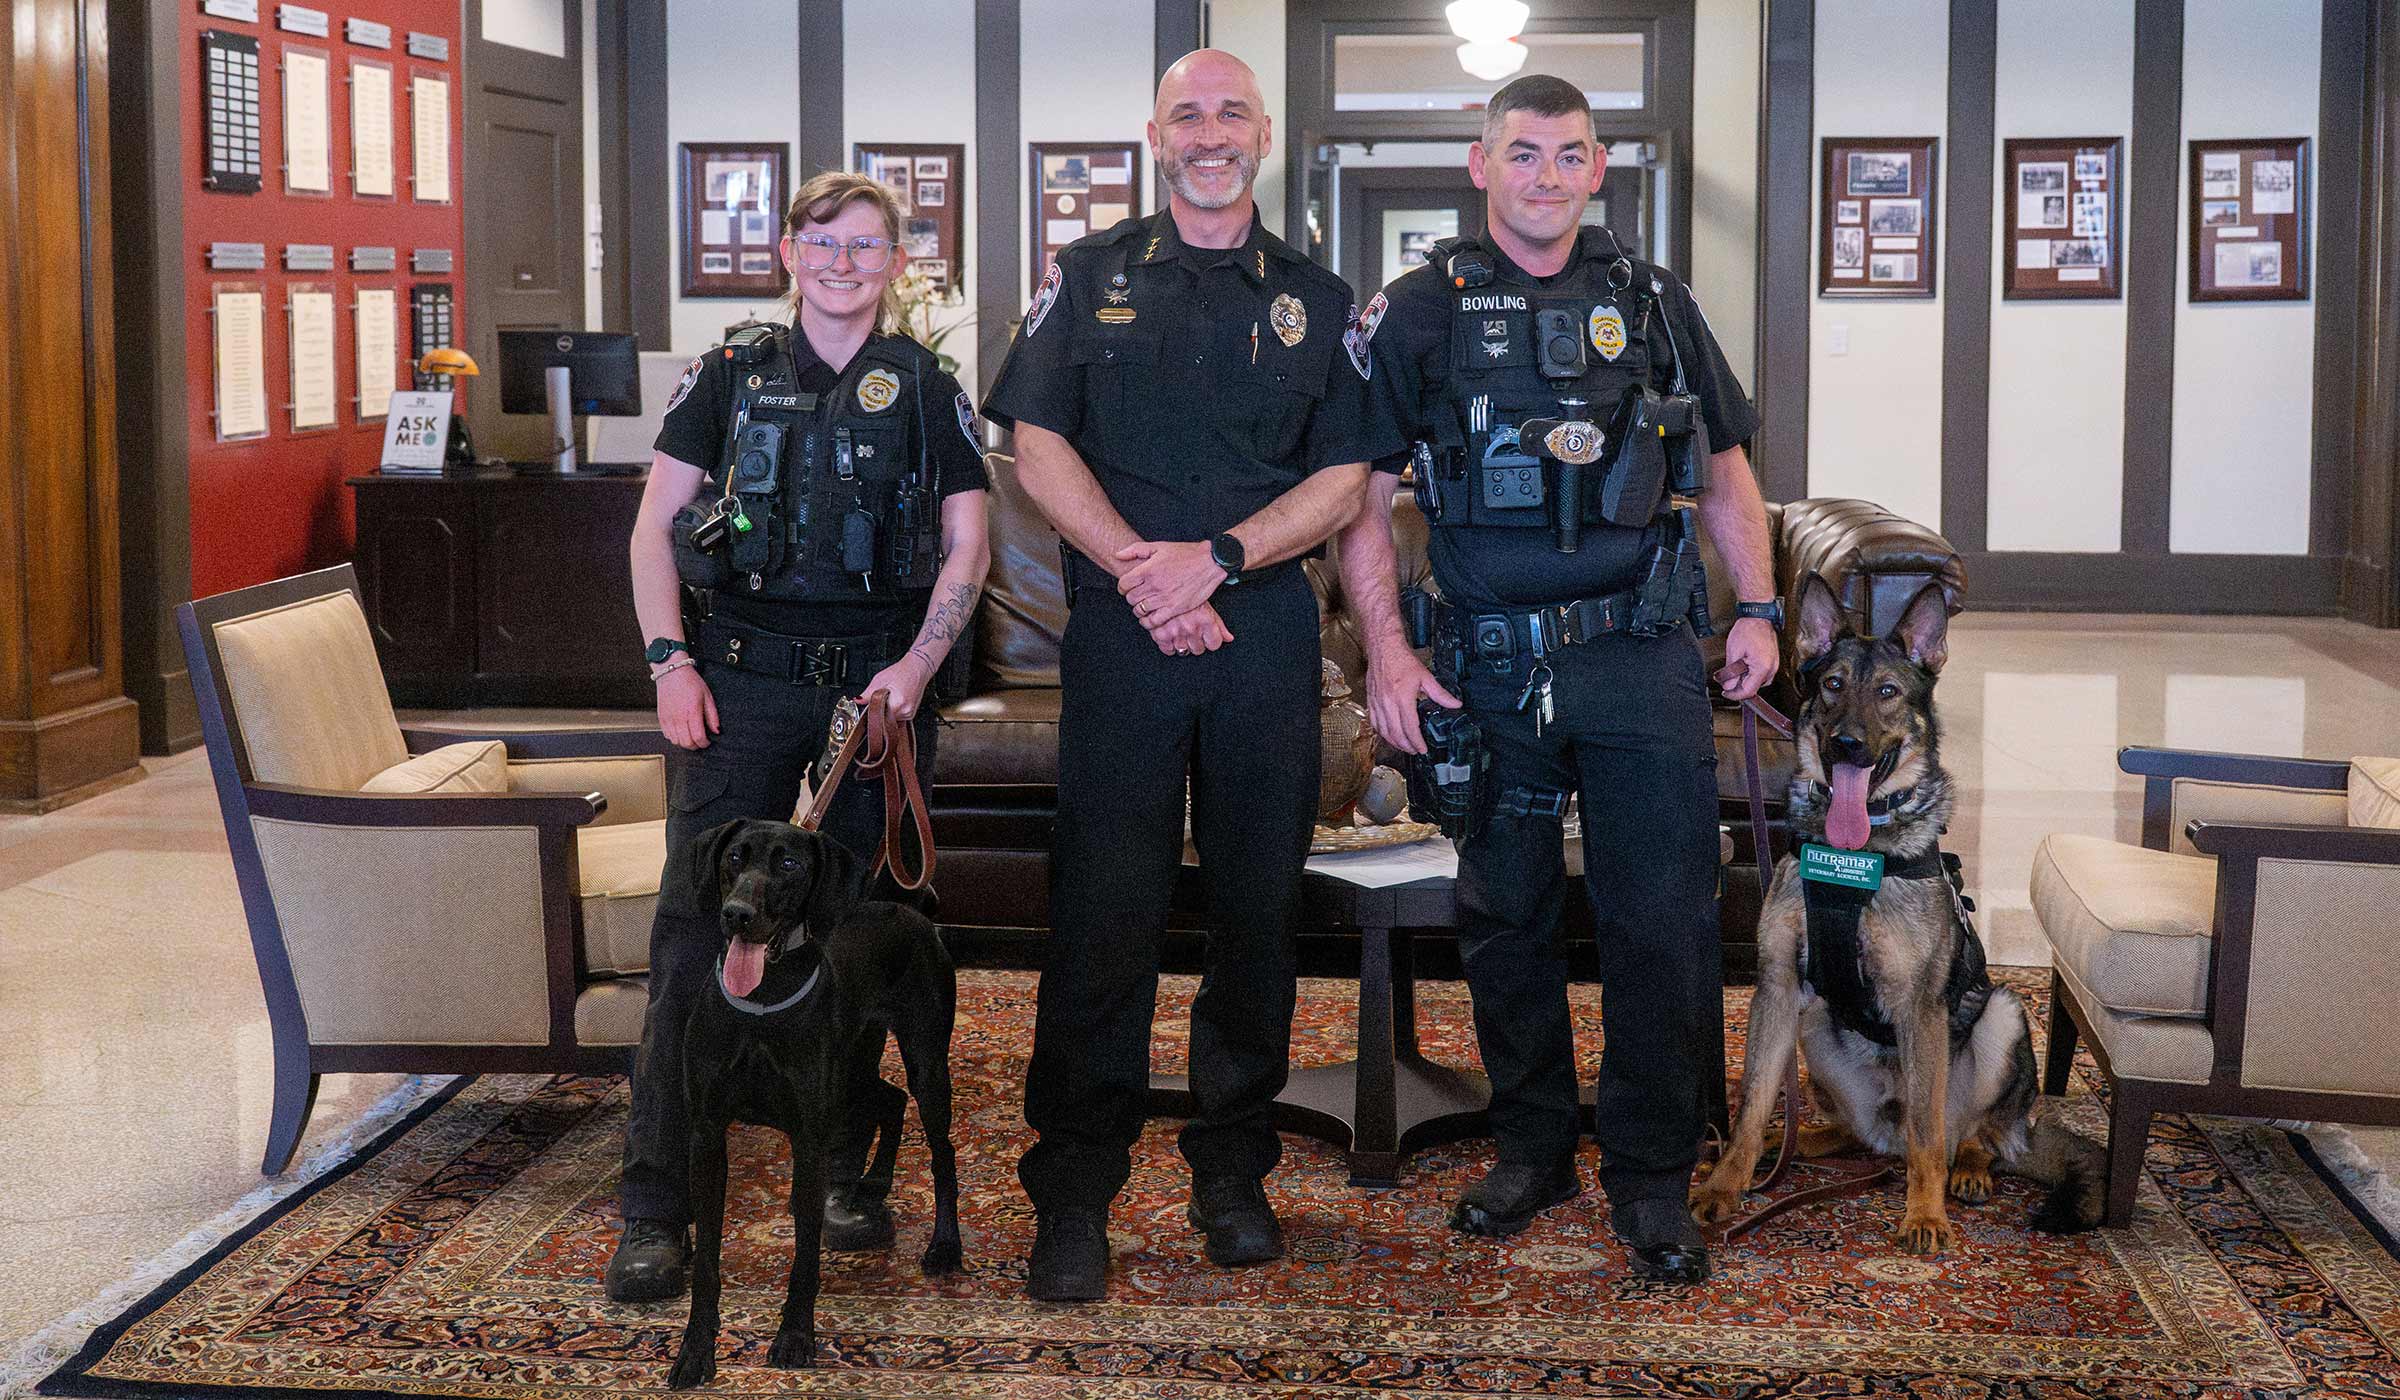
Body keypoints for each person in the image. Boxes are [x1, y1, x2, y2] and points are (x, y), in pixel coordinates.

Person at [1336, 73, 1781, 1285]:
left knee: (1665, 921)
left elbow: (1729, 466)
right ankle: (1530, 1143)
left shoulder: (1655, 301)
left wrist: (1762, 606)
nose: (1544, 174)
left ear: (1600, 170)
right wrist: (1386, 645)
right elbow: (1364, 502)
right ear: (1481, 167)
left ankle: (1647, 1173)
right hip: (1487, 664)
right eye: (1521, 153)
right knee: (1504, 918)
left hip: (1639, 655)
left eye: (1568, 154)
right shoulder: (1416, 313)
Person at [981, 49, 1377, 1302]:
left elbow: (1348, 477)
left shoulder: (1322, 295)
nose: (1210, 134)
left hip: (1262, 641)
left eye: (1232, 114)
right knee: (1105, 913)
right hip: (1124, 641)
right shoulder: (1087, 278)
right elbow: (1031, 439)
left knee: (1258, 916)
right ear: (1154, 135)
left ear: (1263, 135)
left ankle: (1231, 1166)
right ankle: (1077, 1185)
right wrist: (1141, 571)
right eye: (1187, 114)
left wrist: (1215, 560)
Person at [605, 170, 992, 1304]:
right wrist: (668, 661)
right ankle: (654, 1205)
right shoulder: (726, 375)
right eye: (823, 241)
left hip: (864, 707)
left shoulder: (928, 386)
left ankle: (840, 1170)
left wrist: (916, 669)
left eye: (866, 245)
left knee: (844, 940)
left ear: (895, 262)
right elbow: (652, 530)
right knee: (689, 949)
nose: (842, 262)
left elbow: (968, 544)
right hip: (732, 694)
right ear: (788, 249)